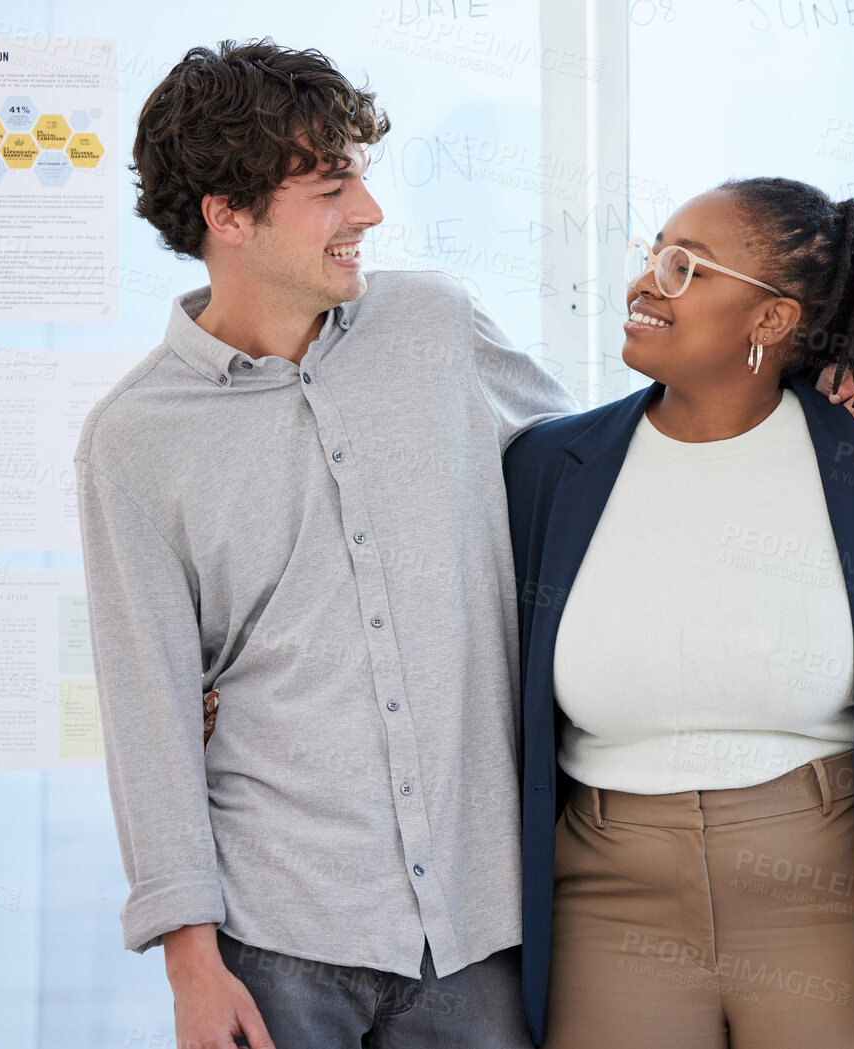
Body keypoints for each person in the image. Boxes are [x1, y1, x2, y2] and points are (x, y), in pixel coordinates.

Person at [75, 40, 574, 1049]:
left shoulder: (434, 324)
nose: (370, 213)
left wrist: (800, 406)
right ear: (226, 214)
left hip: (481, 932)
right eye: (330, 185)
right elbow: (147, 709)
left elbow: (591, 470)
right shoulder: (132, 439)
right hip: (280, 939)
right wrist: (190, 964)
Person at [502, 177, 854, 1049]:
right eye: (652, 258)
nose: (647, 282)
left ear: (773, 319)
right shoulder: (545, 469)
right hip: (604, 899)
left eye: (687, 269)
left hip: (834, 888)